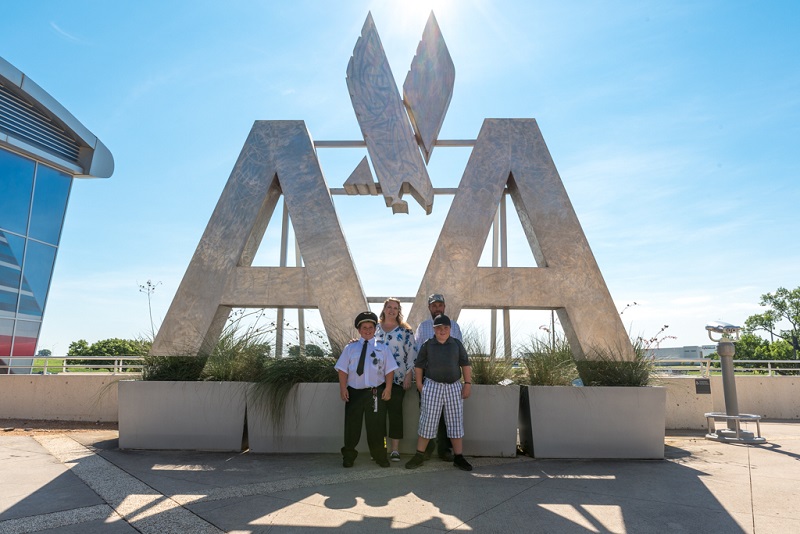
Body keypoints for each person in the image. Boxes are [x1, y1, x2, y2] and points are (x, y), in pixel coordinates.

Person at [405, 314, 473, 471]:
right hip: (432, 386)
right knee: (428, 421)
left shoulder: (456, 344)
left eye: (445, 328)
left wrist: (467, 384)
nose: (442, 331)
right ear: (434, 329)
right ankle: (419, 455)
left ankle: (459, 457)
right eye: (439, 328)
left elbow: (465, 364)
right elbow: (419, 365)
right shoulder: (428, 345)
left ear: (450, 329)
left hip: (454, 387)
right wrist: (420, 385)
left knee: (455, 422)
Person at [335, 311, 398, 468]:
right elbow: (342, 370)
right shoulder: (350, 348)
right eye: (364, 327)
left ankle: (380, 456)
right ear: (359, 329)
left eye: (371, 327)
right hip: (354, 392)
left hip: (375, 393)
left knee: (377, 427)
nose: (368, 330)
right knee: (352, 426)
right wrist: (343, 388)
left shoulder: (383, 348)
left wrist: (388, 388)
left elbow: (389, 370)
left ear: (375, 328)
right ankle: (348, 456)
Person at [414, 293, 462, 461]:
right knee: (427, 414)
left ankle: (444, 449)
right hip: (429, 379)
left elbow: (459, 352)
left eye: (440, 305)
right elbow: (418, 353)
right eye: (434, 306)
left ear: (444, 307)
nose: (437, 308)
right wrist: (419, 382)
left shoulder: (454, 326)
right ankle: (427, 449)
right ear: (429, 308)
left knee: (447, 416)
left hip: (449, 381)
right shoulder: (423, 327)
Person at [375, 298, 417, 461]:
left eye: (395, 308)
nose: (392, 310)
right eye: (389, 307)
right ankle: (380, 448)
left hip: (398, 379)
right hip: (376, 379)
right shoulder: (375, 329)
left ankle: (394, 450)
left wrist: (409, 375)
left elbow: (412, 354)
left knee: (395, 414)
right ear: (384, 309)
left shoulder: (405, 332)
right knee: (377, 415)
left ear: (399, 311)